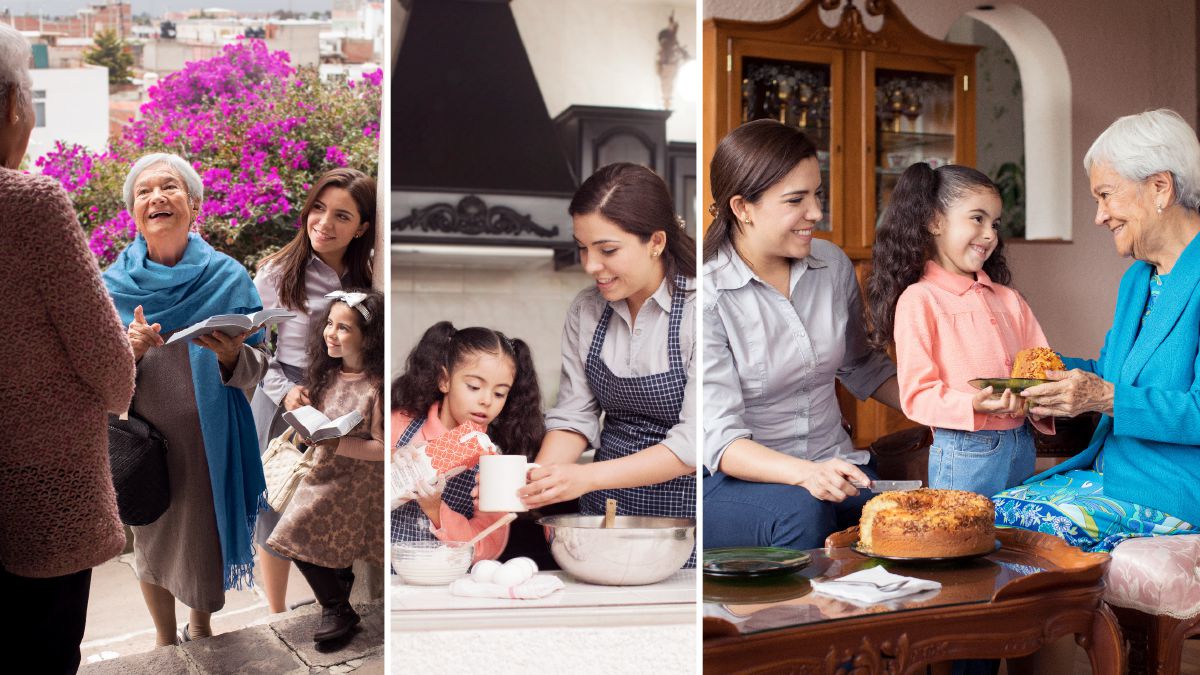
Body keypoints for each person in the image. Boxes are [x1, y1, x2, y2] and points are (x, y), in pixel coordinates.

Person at [996, 108, 1200, 551]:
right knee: (984, 514)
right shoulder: (1138, 279)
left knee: (1007, 529)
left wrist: (1103, 397)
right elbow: (1108, 372)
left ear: (1160, 187)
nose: (1099, 216)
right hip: (1109, 472)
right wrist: (1034, 370)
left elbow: (1116, 393)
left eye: (1106, 196)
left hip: (1176, 489)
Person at [0, 23, 136, 673]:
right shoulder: (29, 203)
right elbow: (111, 369)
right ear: (11, 107)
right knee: (45, 653)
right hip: (42, 492)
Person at [702, 119, 899, 550]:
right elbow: (722, 443)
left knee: (908, 504)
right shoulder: (706, 296)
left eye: (817, 195)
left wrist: (949, 406)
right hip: (733, 481)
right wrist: (807, 474)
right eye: (796, 200)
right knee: (804, 509)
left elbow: (861, 363)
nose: (815, 213)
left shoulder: (831, 264)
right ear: (742, 207)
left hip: (834, 465)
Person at [102, 152, 269, 647]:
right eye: (144, 191)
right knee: (150, 538)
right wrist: (127, 351)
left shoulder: (229, 277)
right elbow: (96, 377)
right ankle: (163, 638)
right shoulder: (112, 286)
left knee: (202, 536)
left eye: (169, 187)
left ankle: (200, 627)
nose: (156, 197)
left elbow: (260, 365)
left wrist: (232, 355)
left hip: (209, 439)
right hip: (142, 439)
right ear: (134, 211)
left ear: (193, 205)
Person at [518, 163, 697, 564]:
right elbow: (575, 415)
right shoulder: (587, 310)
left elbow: (693, 444)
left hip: (688, 506)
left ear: (655, 241)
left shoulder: (702, 310)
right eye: (582, 247)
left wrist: (582, 478)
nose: (589, 265)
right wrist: (534, 483)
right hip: (604, 505)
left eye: (607, 250)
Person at [866, 163, 1053, 496]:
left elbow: (1042, 367)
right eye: (977, 219)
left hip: (1022, 445)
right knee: (964, 539)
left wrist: (1036, 402)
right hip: (965, 449)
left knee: (1015, 541)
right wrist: (973, 405)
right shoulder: (920, 300)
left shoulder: (1010, 300)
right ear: (935, 221)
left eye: (995, 224)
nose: (990, 235)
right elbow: (917, 396)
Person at [251, 168, 376, 615]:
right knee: (277, 500)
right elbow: (253, 344)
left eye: (342, 215)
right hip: (289, 397)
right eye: (318, 209)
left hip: (348, 397)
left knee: (334, 494)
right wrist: (283, 390)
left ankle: (334, 599)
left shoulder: (373, 270)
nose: (324, 222)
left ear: (362, 226)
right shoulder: (276, 272)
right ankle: (276, 613)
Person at [267, 289, 384, 643]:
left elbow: (382, 447)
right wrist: (307, 427)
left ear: (368, 337)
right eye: (330, 324)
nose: (331, 333)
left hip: (353, 483)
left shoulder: (376, 388)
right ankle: (339, 608)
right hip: (319, 473)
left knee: (296, 532)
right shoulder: (326, 375)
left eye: (344, 328)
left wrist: (337, 443)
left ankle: (336, 608)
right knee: (301, 536)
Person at [390, 322, 544, 562]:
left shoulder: (494, 462)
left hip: (447, 583)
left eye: (499, 393)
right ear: (445, 380)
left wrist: (436, 510)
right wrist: (391, 457)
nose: (486, 400)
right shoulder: (400, 422)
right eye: (474, 386)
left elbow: (487, 545)